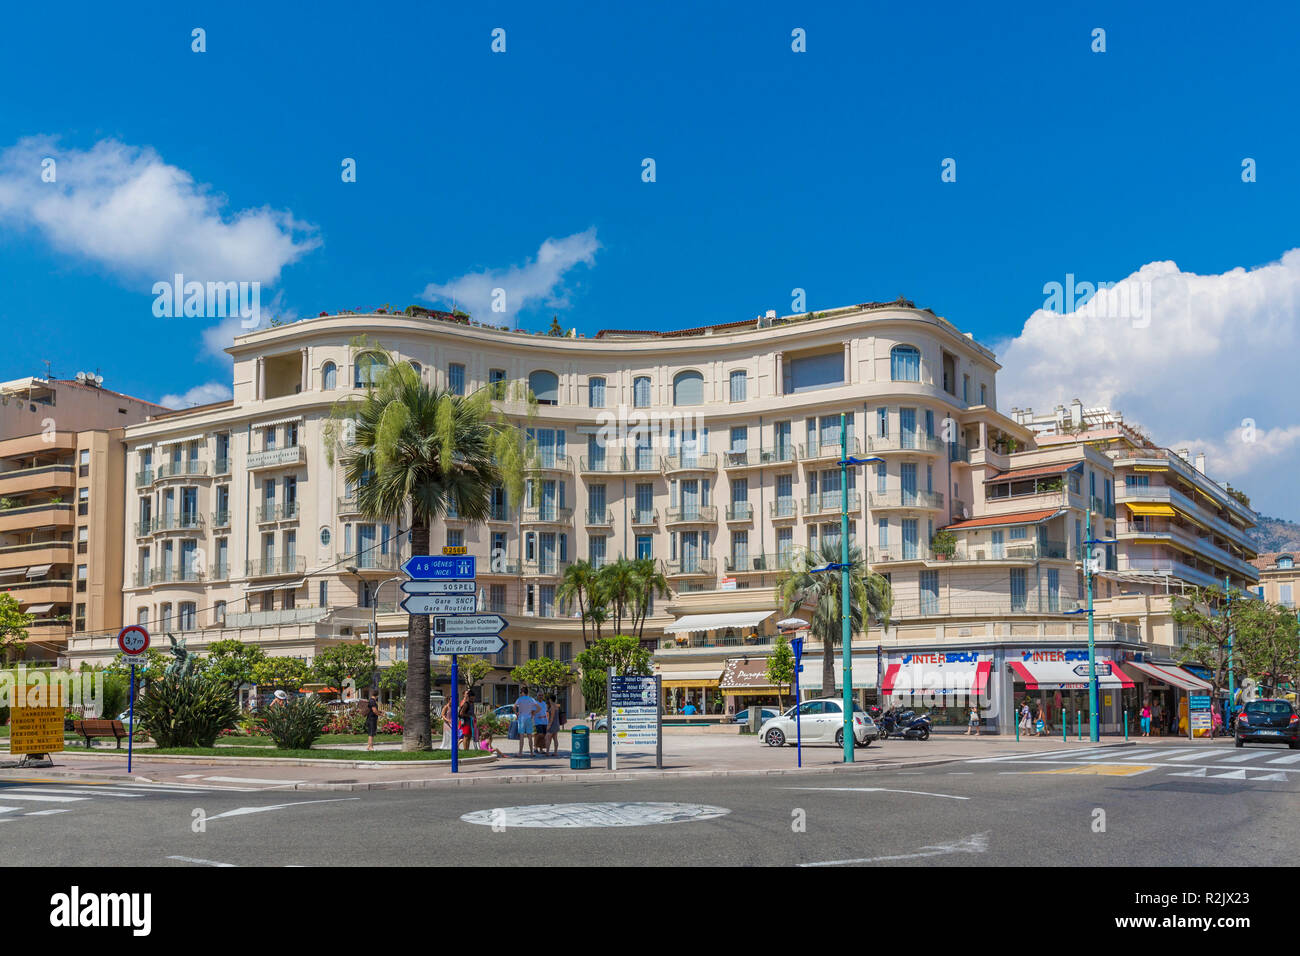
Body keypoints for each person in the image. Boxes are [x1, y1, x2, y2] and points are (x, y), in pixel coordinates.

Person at [515, 686, 538, 757]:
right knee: (530, 736)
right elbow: (539, 708)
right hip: (529, 718)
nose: (520, 694)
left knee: (521, 736)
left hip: (522, 718)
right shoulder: (531, 699)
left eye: (521, 692)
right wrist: (533, 714)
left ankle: (520, 753)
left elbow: (514, 707)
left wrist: (517, 714)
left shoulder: (519, 699)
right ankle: (531, 752)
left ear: (522, 692)